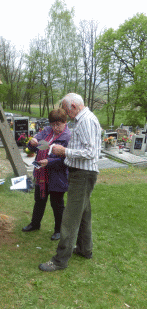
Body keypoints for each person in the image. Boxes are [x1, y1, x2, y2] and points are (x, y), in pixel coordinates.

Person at [39, 93, 101, 272]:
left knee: (70, 218)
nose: (66, 113)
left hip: (83, 174)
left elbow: (90, 152)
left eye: (66, 109)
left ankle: (60, 260)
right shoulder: (83, 120)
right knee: (84, 214)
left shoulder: (86, 120)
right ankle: (84, 248)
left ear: (74, 106)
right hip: (82, 173)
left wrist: (65, 151)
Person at [22, 109, 71, 240]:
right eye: (53, 124)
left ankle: (59, 230)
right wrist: (31, 143)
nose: (55, 128)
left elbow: (67, 160)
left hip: (57, 177)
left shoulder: (68, 137)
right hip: (41, 174)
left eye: (58, 124)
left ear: (65, 122)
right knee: (39, 200)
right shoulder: (47, 131)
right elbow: (34, 145)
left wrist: (49, 161)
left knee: (57, 204)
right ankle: (35, 224)